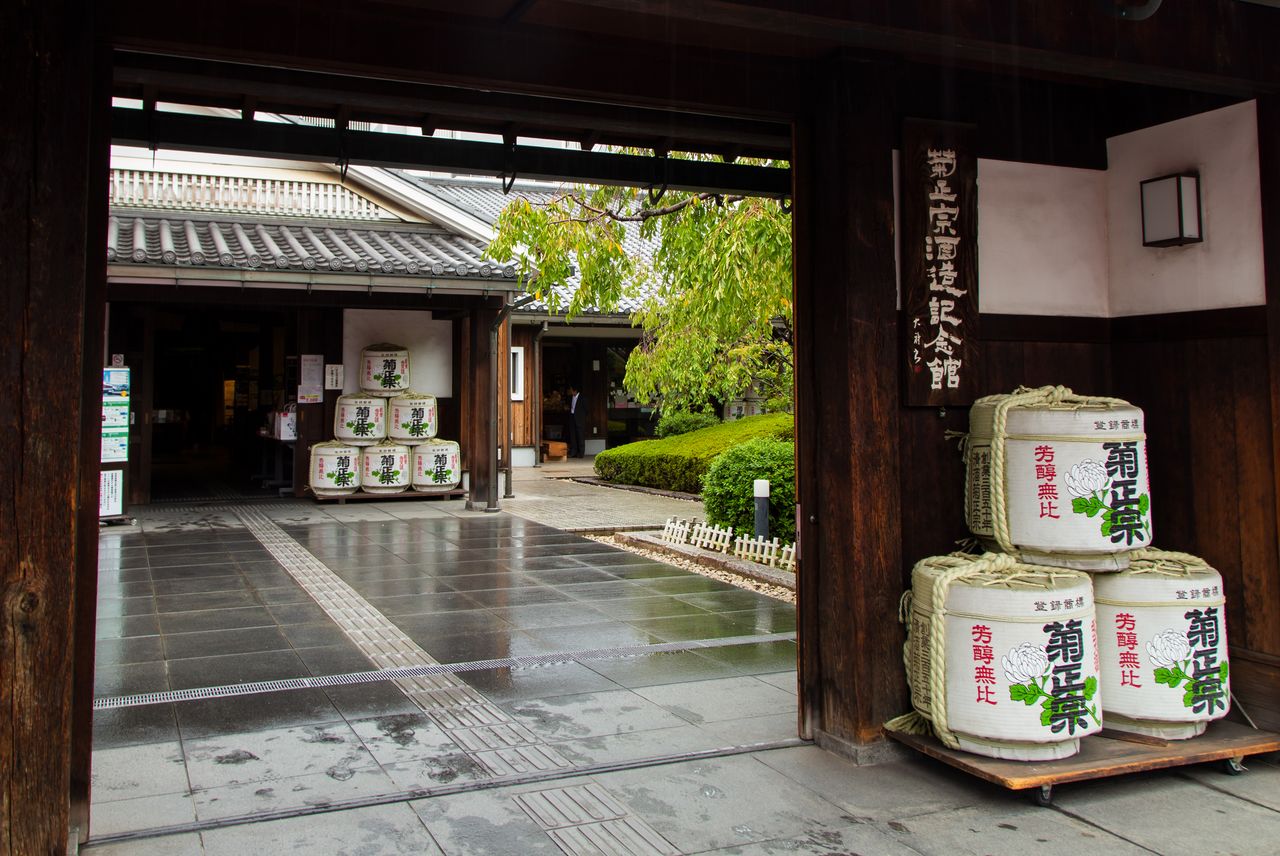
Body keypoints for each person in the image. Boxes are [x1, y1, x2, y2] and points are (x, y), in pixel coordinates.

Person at [566, 383, 586, 458]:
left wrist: (582, 417)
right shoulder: (570, 397)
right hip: (572, 417)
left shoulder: (583, 398)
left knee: (580, 436)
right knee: (573, 436)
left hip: (580, 419)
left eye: (571, 389)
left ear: (575, 390)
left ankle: (581, 453)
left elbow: (586, 409)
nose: (570, 391)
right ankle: (573, 452)